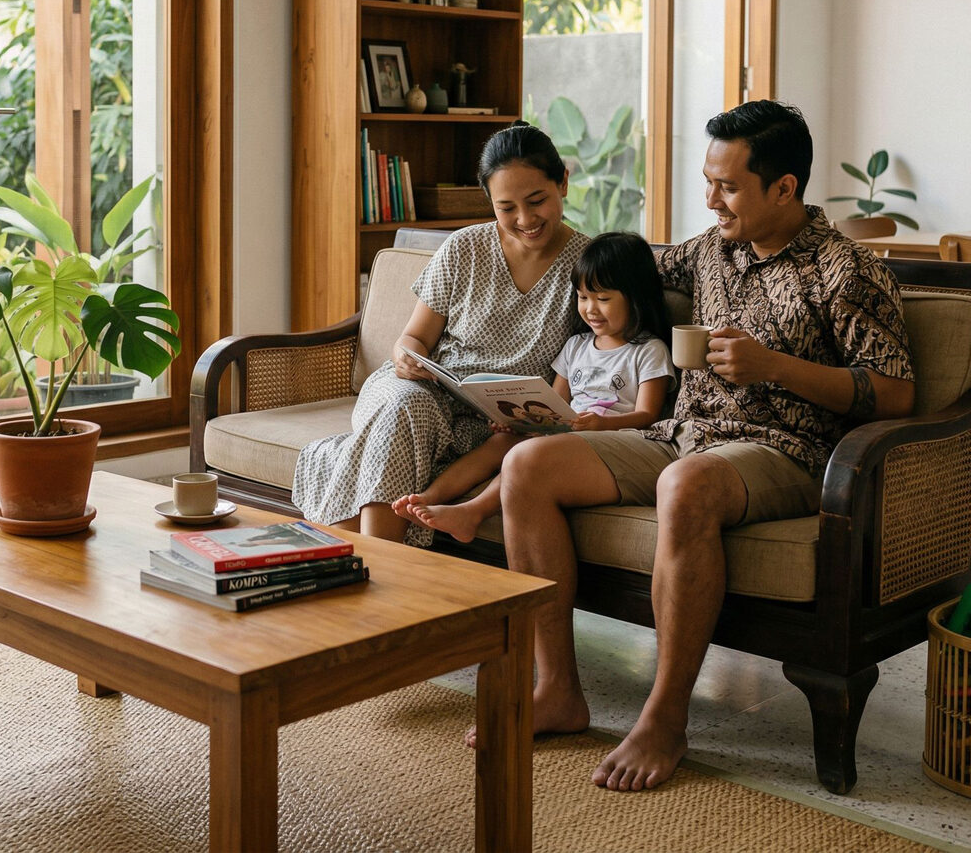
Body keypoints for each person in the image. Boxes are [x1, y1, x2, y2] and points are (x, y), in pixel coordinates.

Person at [481, 100, 915, 792]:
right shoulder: (712, 248)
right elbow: (628, 262)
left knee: (684, 485)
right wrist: (525, 220)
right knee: (527, 462)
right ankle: (558, 688)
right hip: (680, 433)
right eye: (707, 181)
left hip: (787, 450)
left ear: (784, 188)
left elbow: (896, 392)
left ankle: (665, 715)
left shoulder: (846, 270)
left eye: (727, 186)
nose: (709, 198)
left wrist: (775, 365)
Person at [291, 123, 590, 543]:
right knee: (405, 406)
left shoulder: (587, 266)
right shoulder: (464, 248)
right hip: (422, 393)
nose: (525, 220)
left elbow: (595, 356)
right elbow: (413, 338)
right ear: (489, 202)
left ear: (562, 183)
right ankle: (382, 567)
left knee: (393, 431)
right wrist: (406, 356)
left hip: (497, 425)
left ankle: (348, 568)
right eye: (507, 208)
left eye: (537, 200)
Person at [392, 231, 675, 544]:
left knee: (527, 453)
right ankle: (426, 498)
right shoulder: (576, 346)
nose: (590, 309)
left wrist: (603, 424)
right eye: (583, 297)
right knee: (504, 442)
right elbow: (554, 402)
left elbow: (648, 415)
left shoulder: (649, 351)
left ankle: (472, 512)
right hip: (568, 431)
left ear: (636, 296)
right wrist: (520, 420)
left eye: (603, 299)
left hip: (611, 439)